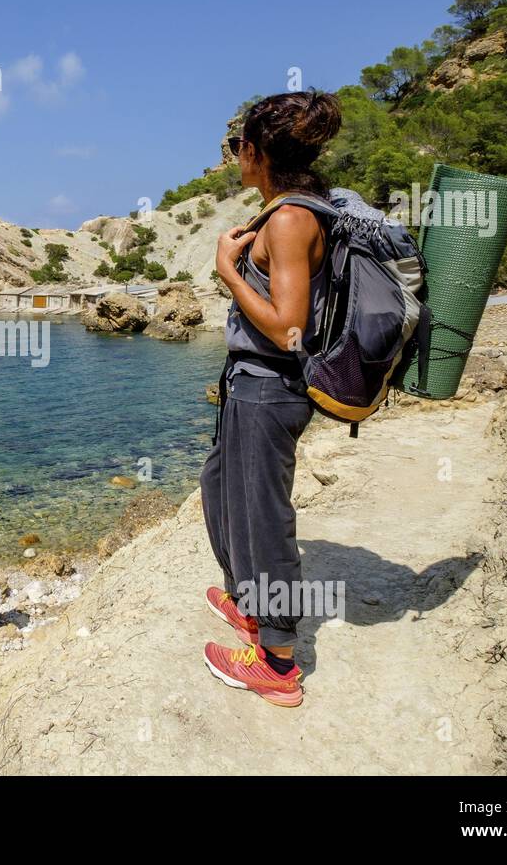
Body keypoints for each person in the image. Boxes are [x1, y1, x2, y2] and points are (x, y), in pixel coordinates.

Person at [200, 90, 342, 708]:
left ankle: (278, 661)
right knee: (219, 485)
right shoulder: (291, 209)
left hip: (269, 387)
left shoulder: (290, 220)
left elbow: (290, 327)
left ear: (255, 153)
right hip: (246, 384)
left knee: (264, 516)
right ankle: (249, 602)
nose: (236, 157)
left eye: (239, 148)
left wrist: (229, 272)